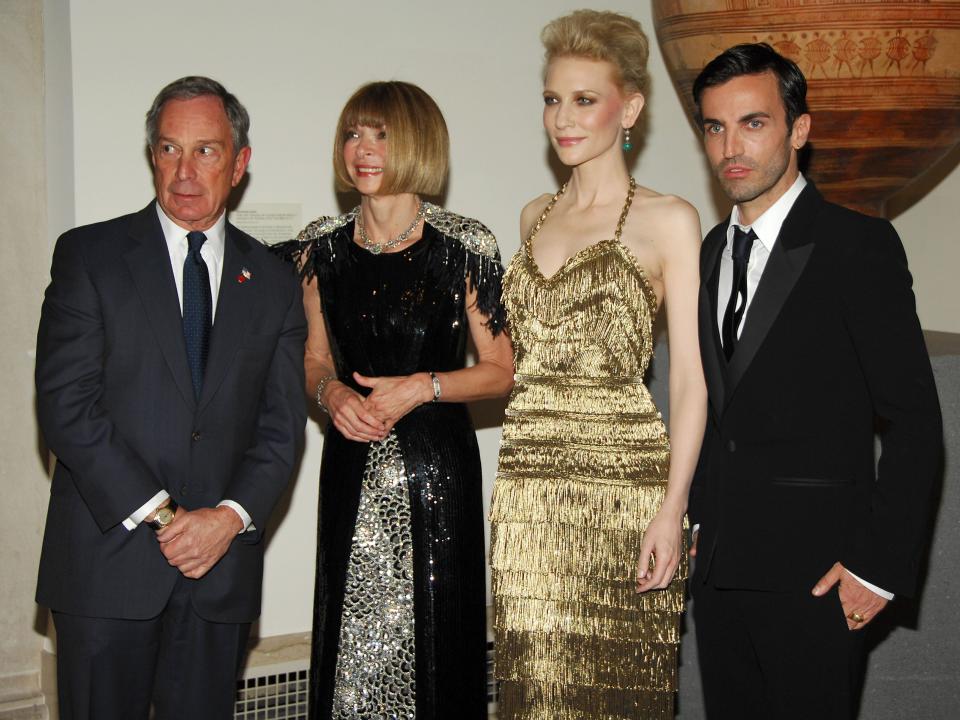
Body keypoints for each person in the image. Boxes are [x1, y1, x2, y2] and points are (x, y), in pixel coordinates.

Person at [34, 76, 307, 720]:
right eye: (168, 149)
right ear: (151, 155)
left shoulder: (271, 279)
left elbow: (280, 428)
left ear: (239, 164)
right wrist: (166, 517)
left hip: (219, 573)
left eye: (207, 151)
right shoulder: (90, 256)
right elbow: (67, 408)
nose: (185, 172)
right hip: (107, 569)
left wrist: (227, 519)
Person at [688, 43, 943, 719]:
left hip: (817, 574)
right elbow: (722, 410)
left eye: (753, 122)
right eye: (714, 127)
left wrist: (877, 568)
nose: (730, 146)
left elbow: (915, 423)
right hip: (718, 573)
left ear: (799, 129)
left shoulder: (857, 246)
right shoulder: (711, 250)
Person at [272, 80, 514, 719]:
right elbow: (314, 356)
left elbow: (500, 372)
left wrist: (424, 386)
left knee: (436, 631)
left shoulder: (465, 245)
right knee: (352, 630)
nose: (363, 149)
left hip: (435, 467)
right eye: (353, 133)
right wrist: (327, 392)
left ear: (418, 144)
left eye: (380, 134)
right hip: (350, 454)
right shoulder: (319, 247)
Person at [489, 10, 706, 718]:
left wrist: (672, 511)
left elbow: (690, 380)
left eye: (585, 99)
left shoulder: (669, 219)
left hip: (627, 495)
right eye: (553, 99)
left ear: (630, 107)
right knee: (533, 692)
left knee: (621, 696)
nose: (563, 117)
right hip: (526, 496)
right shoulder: (532, 217)